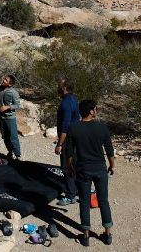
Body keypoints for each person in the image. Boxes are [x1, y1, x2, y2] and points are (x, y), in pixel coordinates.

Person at [65, 99, 115, 247]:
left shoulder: (73, 128)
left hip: (82, 169)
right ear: (91, 111)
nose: (96, 110)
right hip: (100, 168)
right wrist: (112, 165)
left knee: (85, 202)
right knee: (103, 200)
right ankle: (107, 234)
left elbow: (69, 152)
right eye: (95, 108)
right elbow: (109, 149)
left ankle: (85, 236)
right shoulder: (102, 128)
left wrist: (70, 167)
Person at [55, 78, 80, 206]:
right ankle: (77, 190)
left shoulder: (65, 104)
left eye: (59, 84)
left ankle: (70, 195)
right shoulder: (74, 99)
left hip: (68, 139)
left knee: (66, 166)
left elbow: (65, 126)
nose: (57, 86)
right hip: (76, 136)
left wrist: (59, 144)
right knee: (75, 164)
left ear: (64, 87)